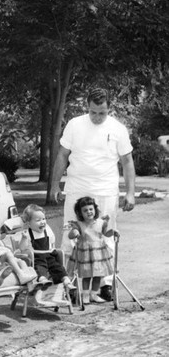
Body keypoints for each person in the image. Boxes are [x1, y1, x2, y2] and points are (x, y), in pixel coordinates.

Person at [50, 87, 135, 301]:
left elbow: (127, 161)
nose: (97, 117)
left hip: (105, 191)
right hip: (77, 188)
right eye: (93, 112)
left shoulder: (118, 128)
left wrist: (130, 193)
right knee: (70, 238)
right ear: (87, 107)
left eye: (102, 113)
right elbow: (62, 156)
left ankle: (105, 285)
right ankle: (69, 285)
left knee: (105, 238)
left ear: (109, 109)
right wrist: (54, 186)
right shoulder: (74, 125)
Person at [15, 204, 76, 292]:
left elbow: (51, 242)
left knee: (58, 267)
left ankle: (66, 281)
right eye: (38, 220)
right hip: (37, 256)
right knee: (39, 267)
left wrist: (53, 249)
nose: (42, 222)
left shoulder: (47, 230)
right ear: (28, 223)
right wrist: (24, 238)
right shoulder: (28, 233)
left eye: (43, 219)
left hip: (49, 255)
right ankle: (43, 280)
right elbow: (22, 248)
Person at [66, 197, 116, 304]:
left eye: (91, 209)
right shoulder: (79, 224)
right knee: (87, 275)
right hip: (85, 254)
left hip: (99, 254)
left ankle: (94, 294)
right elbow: (71, 234)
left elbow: (106, 233)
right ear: (80, 213)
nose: (89, 212)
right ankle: (85, 295)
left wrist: (113, 232)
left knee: (98, 275)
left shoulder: (101, 222)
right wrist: (74, 233)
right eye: (85, 210)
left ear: (95, 210)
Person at [0, 220, 40, 289]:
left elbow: (3, 247)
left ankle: (29, 282)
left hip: (7, 257)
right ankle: (21, 274)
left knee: (21, 262)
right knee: (8, 254)